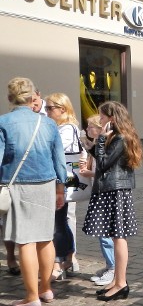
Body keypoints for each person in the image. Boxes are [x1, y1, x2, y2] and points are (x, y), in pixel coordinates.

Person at [1, 77, 67, 306]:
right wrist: (61, 188)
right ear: (32, 98)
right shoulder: (48, 123)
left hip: (18, 184)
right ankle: (46, 288)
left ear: (10, 98)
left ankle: (31, 297)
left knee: (25, 240)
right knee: (45, 238)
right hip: (47, 183)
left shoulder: (4, 122)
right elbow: (59, 160)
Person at [82, 101, 143, 301]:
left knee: (118, 237)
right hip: (112, 190)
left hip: (115, 190)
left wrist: (99, 140)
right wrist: (91, 146)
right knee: (116, 237)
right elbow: (104, 160)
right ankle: (117, 280)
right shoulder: (117, 136)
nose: (99, 120)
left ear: (112, 118)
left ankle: (121, 283)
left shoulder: (120, 137)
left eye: (102, 116)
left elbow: (105, 163)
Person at [46, 93, 83, 280]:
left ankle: (61, 262)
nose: (47, 112)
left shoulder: (67, 129)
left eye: (50, 108)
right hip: (62, 177)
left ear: (63, 109)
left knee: (59, 220)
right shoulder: (59, 127)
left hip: (64, 178)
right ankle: (67, 257)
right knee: (61, 219)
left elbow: (54, 150)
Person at [79, 115, 115, 287]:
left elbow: (108, 172)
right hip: (98, 191)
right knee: (101, 232)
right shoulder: (94, 146)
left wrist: (90, 173)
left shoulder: (106, 146)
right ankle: (110, 265)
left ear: (99, 129)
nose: (87, 130)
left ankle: (113, 268)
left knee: (105, 233)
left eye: (90, 126)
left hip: (105, 192)